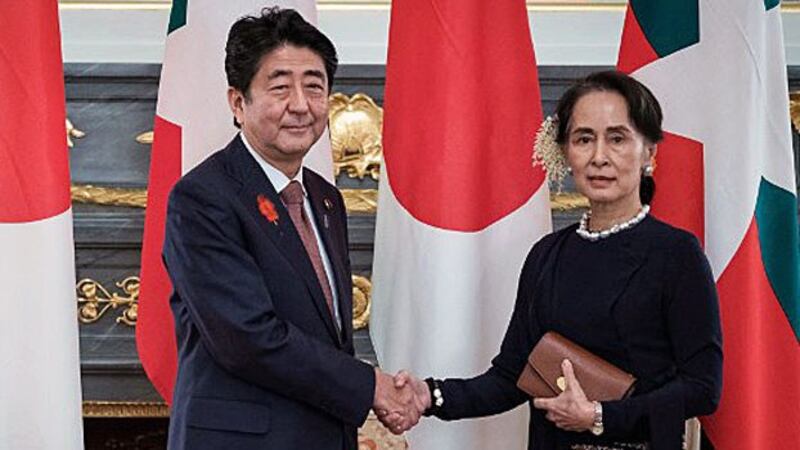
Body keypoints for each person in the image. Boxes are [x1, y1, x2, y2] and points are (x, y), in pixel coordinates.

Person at [386, 71, 723, 450]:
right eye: (584, 139)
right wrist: (429, 395)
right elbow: (510, 378)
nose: (599, 157)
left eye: (617, 138)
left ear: (649, 152)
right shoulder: (547, 255)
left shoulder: (677, 254)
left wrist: (599, 416)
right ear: (565, 152)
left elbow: (703, 388)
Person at [162, 8, 419, 450]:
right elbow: (248, 338)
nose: (300, 104)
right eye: (279, 87)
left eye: (314, 87)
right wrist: (370, 386)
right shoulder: (203, 198)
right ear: (237, 103)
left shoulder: (323, 198)